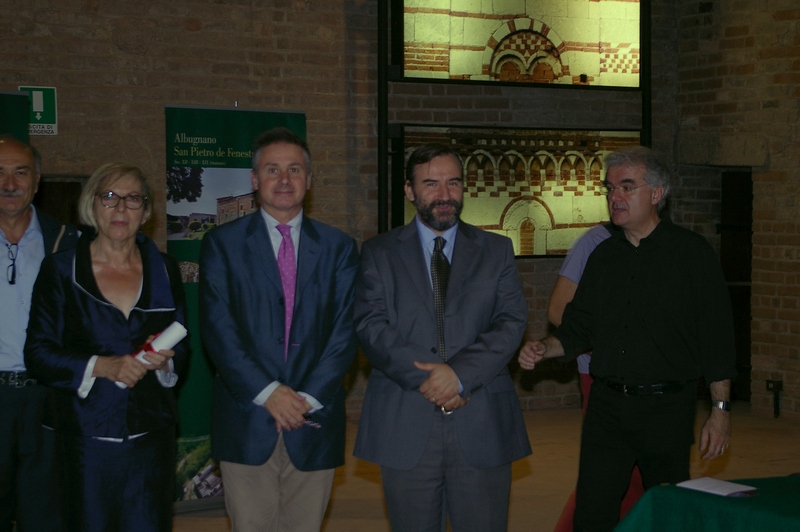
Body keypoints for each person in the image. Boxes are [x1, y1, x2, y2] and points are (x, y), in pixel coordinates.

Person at [519, 146, 736, 532]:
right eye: (610, 188)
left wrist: (719, 413)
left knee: (667, 512)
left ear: (657, 193)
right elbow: (578, 328)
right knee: (592, 513)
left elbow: (717, 339)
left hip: (666, 407)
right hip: (606, 407)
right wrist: (545, 348)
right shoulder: (603, 257)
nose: (614, 196)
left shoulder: (691, 255)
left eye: (626, 187)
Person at [354, 143, 531, 531]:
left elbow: (511, 321)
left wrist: (459, 374)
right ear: (409, 190)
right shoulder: (379, 253)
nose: (445, 195)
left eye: (453, 183)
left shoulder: (496, 250)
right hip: (406, 420)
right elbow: (370, 326)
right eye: (431, 184)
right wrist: (431, 379)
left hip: (480, 417)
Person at [199, 127, 359, 531]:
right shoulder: (223, 244)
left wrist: (305, 397)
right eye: (273, 170)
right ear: (255, 181)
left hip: (314, 414)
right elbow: (219, 330)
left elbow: (346, 331)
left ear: (309, 179)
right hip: (247, 415)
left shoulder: (340, 248)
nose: (284, 180)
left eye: (294, 169)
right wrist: (270, 393)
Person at [24, 163, 189, 531]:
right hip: (85, 440)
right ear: (92, 205)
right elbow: (37, 353)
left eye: (132, 199)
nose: (120, 209)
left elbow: (184, 345)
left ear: (145, 212)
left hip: (150, 438)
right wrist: (102, 365)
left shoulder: (164, 269)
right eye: (110, 197)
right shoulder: (61, 271)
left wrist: (164, 362)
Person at [0, 136, 78, 532]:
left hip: (48, 398)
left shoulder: (68, 244)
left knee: (46, 515)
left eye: (20, 171)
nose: (9, 182)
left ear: (37, 180)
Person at [548, 223, 644, 532]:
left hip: (649, 380)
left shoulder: (663, 242)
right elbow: (559, 311)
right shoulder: (594, 241)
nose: (617, 196)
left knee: (641, 479)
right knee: (605, 478)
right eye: (613, 188)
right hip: (602, 376)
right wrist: (616, 339)